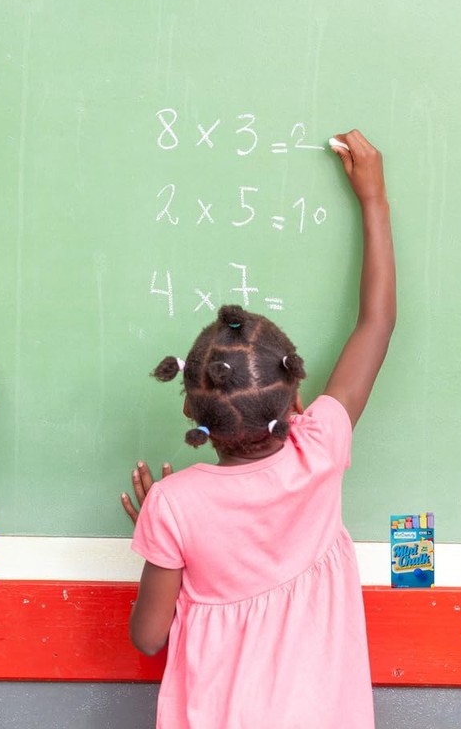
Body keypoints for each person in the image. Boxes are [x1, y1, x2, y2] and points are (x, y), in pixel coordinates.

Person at [120, 130, 395, 729]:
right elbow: (376, 323)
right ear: (297, 398)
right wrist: (374, 200)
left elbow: (147, 637)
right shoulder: (320, 448)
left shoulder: (173, 505)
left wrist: (159, 533)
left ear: (195, 416)